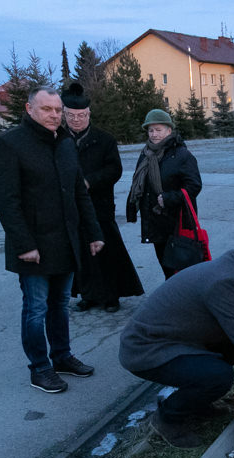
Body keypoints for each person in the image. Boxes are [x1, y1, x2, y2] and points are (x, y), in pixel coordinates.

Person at [119, 236, 234, 448]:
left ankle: (198, 402)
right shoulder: (225, 283)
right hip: (146, 349)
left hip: (178, 339)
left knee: (230, 350)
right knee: (218, 376)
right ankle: (167, 418)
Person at [0, 86, 105, 394]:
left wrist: (93, 233)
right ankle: (40, 367)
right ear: (29, 109)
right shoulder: (8, 144)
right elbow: (6, 201)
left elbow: (79, 191)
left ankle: (62, 356)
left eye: (57, 110)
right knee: (36, 308)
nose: (54, 115)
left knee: (60, 305)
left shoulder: (65, 142)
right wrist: (24, 245)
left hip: (65, 242)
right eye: (47, 110)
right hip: (33, 247)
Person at [61, 83, 143, 313]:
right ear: (65, 115)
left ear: (89, 115)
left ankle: (111, 296)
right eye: (71, 116)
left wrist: (90, 181)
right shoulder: (58, 139)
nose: (76, 120)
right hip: (71, 208)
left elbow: (114, 170)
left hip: (100, 206)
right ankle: (87, 295)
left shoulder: (104, 139)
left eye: (81, 115)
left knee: (108, 252)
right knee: (82, 254)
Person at [126, 109, 202, 279]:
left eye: (158, 130)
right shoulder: (146, 154)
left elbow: (194, 185)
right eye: (151, 130)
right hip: (156, 220)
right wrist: (132, 206)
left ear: (169, 130)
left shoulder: (182, 155)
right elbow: (139, 183)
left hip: (177, 221)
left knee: (180, 266)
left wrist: (170, 198)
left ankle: (182, 300)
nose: (154, 134)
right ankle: (173, 298)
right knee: (165, 264)